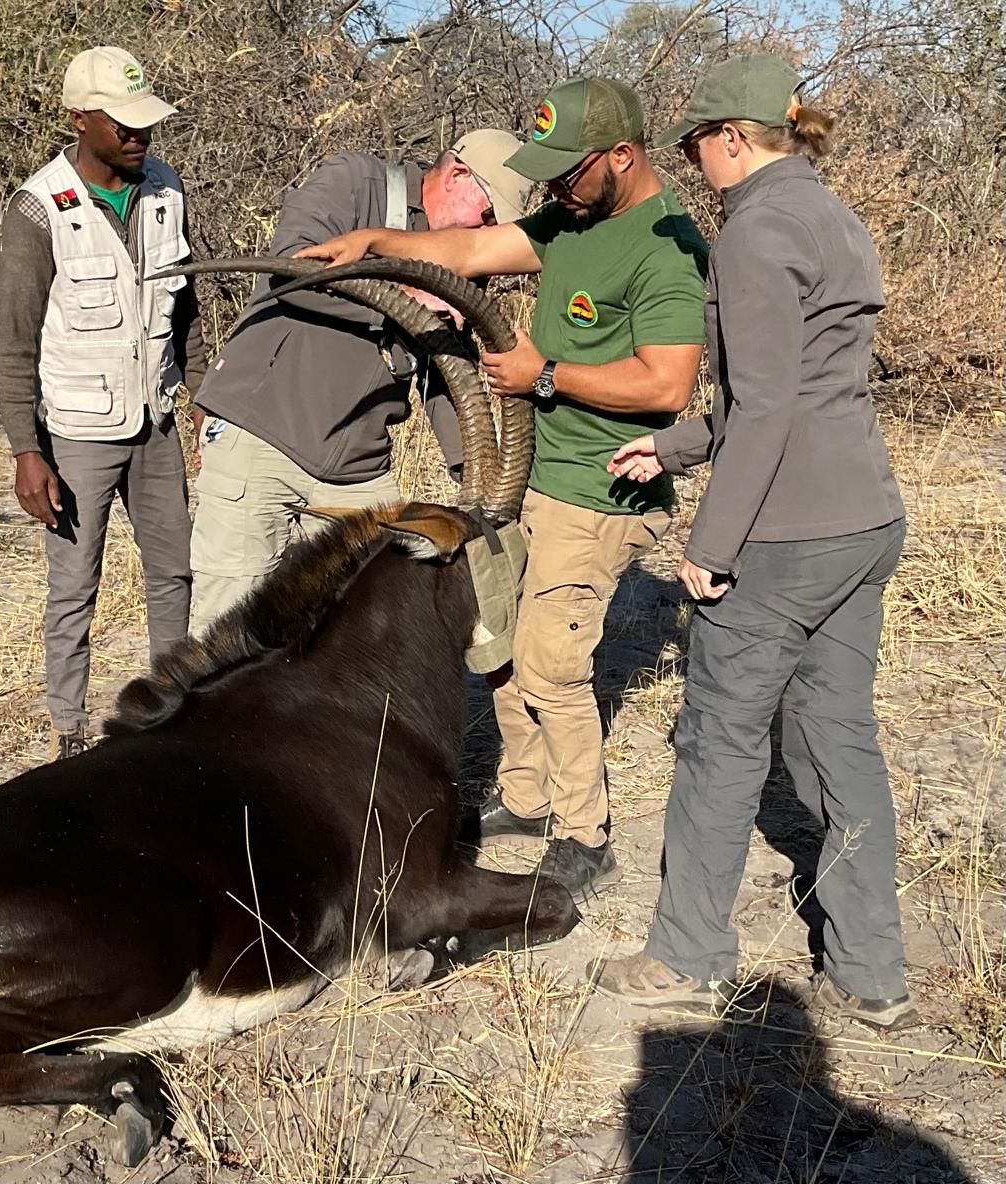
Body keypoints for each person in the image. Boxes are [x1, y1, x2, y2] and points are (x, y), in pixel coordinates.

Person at [299, 78, 708, 900]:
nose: (554, 189)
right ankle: (526, 798)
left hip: (600, 491)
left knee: (552, 668)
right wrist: (374, 243)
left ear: (621, 157)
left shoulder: (665, 250)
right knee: (503, 649)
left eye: (568, 170)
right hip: (537, 481)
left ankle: (586, 837)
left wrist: (542, 374)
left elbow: (666, 386)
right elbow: (469, 252)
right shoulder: (572, 219)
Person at [591, 54, 915, 1031]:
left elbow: (768, 404)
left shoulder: (755, 231)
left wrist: (713, 541)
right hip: (862, 517)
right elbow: (801, 390)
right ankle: (871, 973)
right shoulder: (831, 215)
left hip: (784, 533)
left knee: (719, 740)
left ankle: (686, 955)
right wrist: (674, 445)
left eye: (696, 142)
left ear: (730, 137)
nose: (693, 160)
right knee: (839, 737)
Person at [187, 130, 532, 633]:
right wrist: (407, 298)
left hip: (356, 465)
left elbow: (447, 367)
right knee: (229, 628)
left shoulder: (462, 259)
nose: (488, 232)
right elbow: (291, 270)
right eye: (487, 215)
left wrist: (470, 472)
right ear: (457, 175)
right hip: (262, 439)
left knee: (363, 631)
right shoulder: (355, 183)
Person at [0, 46, 206, 760]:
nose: (139, 134)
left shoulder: (168, 190)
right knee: (73, 587)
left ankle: (169, 718)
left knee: (173, 574)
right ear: (79, 119)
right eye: (123, 122)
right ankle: (69, 734)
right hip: (77, 432)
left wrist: (201, 394)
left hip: (157, 420)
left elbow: (186, 307)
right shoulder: (38, 208)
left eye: (146, 121)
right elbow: (15, 343)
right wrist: (27, 452)